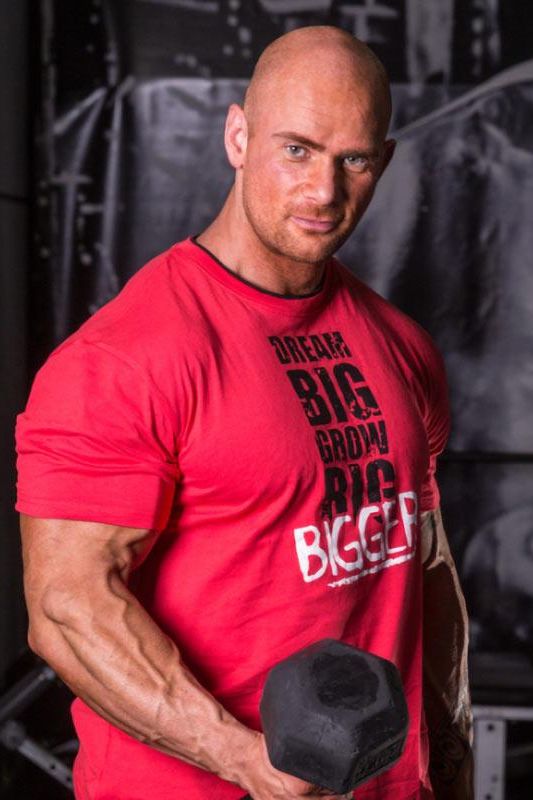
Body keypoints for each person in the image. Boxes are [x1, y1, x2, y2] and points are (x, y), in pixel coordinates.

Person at [15, 25, 472, 800]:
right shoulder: (125, 358)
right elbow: (67, 611)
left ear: (383, 162)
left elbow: (421, 558)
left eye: (352, 159)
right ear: (237, 135)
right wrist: (243, 761)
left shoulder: (399, 347)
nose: (323, 191)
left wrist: (450, 759)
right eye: (295, 149)